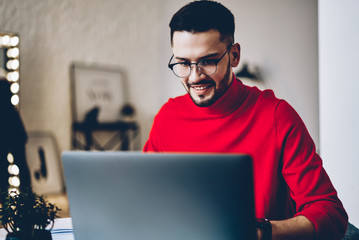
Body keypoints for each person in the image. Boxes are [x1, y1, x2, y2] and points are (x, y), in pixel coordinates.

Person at [143, 1, 348, 240]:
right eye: (183, 63)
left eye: (207, 61)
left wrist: (260, 232)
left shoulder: (277, 116)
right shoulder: (167, 117)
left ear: (234, 55)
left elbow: (331, 214)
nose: (194, 76)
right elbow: (146, 197)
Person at [0, 78, 32, 198]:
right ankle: (26, 196)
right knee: (21, 166)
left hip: (7, 137)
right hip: (15, 136)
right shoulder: (11, 109)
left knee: (3, 168)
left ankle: (4, 197)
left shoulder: (6, 109)